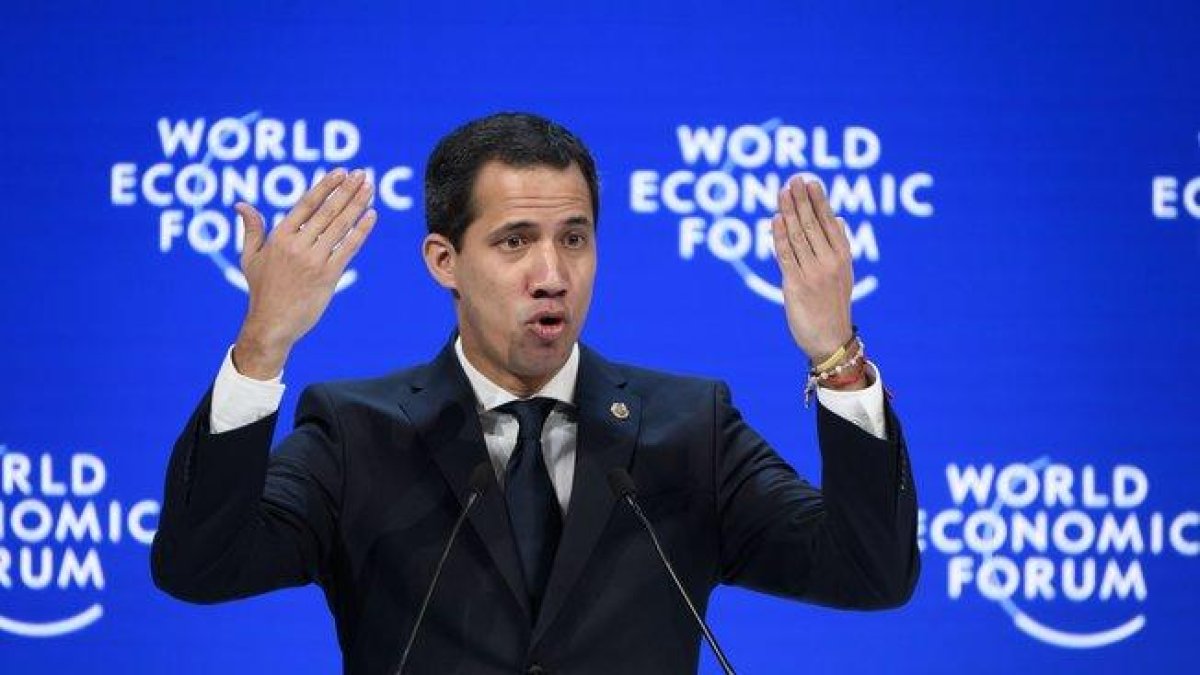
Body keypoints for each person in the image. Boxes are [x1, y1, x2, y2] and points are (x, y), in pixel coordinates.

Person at [151, 112, 918, 675]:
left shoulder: (690, 429)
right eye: (515, 240)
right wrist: (263, 347)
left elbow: (869, 572)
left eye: (574, 238)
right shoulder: (359, 433)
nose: (552, 273)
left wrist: (835, 356)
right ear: (444, 260)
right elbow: (201, 566)